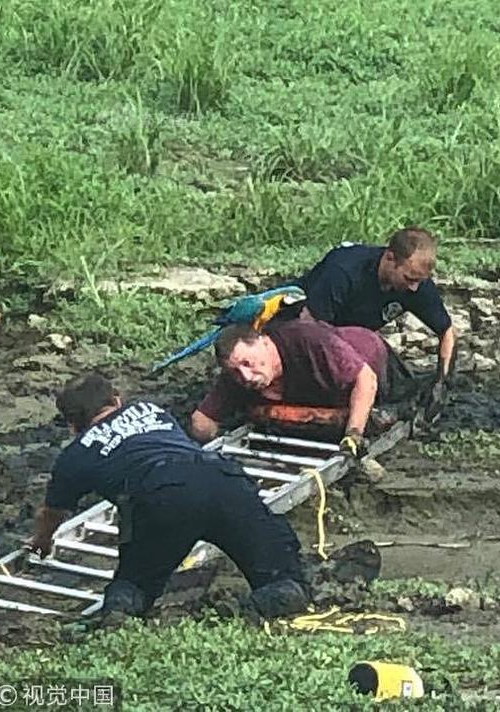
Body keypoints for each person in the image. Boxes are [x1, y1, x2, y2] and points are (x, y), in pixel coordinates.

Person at [25, 372, 348, 621]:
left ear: (72, 425)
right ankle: (264, 599)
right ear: (117, 400)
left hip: (160, 494)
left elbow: (52, 512)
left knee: (134, 585)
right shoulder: (149, 410)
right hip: (220, 478)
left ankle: (120, 617)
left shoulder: (77, 453)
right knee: (282, 575)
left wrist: (42, 541)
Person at [291, 226, 457, 423]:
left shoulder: (416, 285)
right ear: (390, 258)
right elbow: (308, 330)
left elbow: (447, 332)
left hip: (353, 338)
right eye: (409, 279)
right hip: (303, 327)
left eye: (419, 281)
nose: (414, 288)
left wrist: (442, 382)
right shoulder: (343, 271)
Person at [189, 318, 388, 458]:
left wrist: (353, 435)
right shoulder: (238, 376)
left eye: (248, 363)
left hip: (367, 359)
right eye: (236, 371)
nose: (247, 376)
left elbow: (366, 379)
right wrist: (220, 448)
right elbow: (201, 420)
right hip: (302, 404)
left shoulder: (308, 340)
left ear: (263, 343)